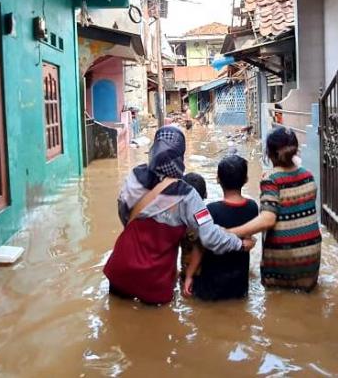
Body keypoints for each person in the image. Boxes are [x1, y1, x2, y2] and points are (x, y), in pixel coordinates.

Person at [104, 126, 255, 304]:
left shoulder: (136, 176)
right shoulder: (187, 196)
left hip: (121, 269)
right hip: (155, 280)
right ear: (180, 155)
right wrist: (240, 244)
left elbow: (123, 211)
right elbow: (210, 237)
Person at [229, 128, 321, 291]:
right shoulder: (309, 176)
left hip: (284, 260)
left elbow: (268, 219)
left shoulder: (271, 180)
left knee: (275, 299)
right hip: (311, 258)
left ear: (269, 154)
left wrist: (230, 232)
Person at [184, 155, 259, 301]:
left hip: (210, 286)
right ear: (246, 180)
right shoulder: (252, 207)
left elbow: (199, 248)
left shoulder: (209, 210)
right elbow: (249, 241)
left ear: (218, 179)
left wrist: (188, 276)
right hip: (239, 286)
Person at [179, 172, 208, 281]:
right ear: (206, 194)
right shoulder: (207, 218)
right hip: (205, 274)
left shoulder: (178, 220)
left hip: (186, 273)